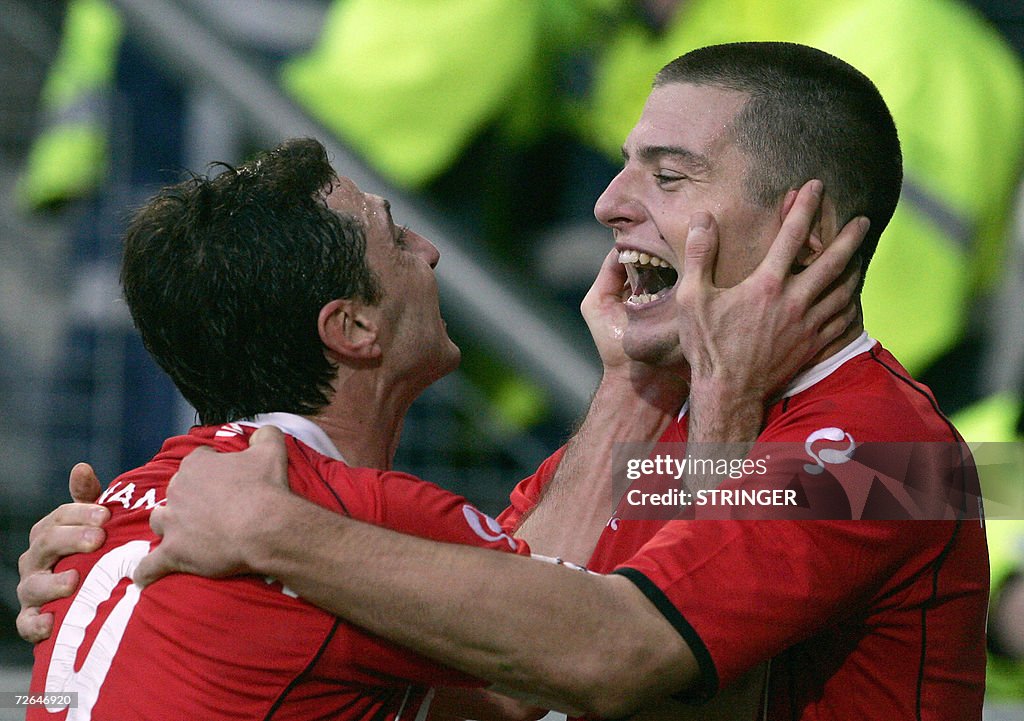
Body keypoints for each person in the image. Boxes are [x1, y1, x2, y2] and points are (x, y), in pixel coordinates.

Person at [21, 42, 979, 719]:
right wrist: (121, 558)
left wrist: (272, 533)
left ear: (801, 231)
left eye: (671, 176)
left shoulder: (896, 460)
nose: (609, 204)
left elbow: (624, 657)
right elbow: (494, 628)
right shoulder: (661, 440)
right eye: (621, 167)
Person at [19, 137, 581, 720]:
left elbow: (503, 691)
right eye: (396, 237)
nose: (431, 251)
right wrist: (647, 377)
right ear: (353, 326)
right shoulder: (343, 512)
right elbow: (611, 644)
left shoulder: (107, 516)